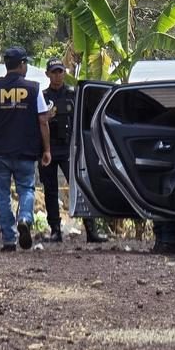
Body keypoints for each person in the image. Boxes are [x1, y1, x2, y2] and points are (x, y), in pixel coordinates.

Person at [0, 47, 51, 251]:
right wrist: (47, 150)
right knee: (26, 189)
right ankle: (25, 218)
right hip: (26, 151)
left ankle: (9, 240)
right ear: (22, 64)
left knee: (2, 196)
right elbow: (43, 120)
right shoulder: (34, 89)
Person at [41, 58, 107, 243]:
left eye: (60, 71)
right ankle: (55, 230)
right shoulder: (42, 97)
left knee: (81, 188)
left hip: (70, 149)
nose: (57, 75)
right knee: (51, 191)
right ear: (47, 74)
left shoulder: (73, 94)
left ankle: (91, 230)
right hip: (48, 149)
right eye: (54, 72)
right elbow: (35, 123)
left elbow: (85, 119)